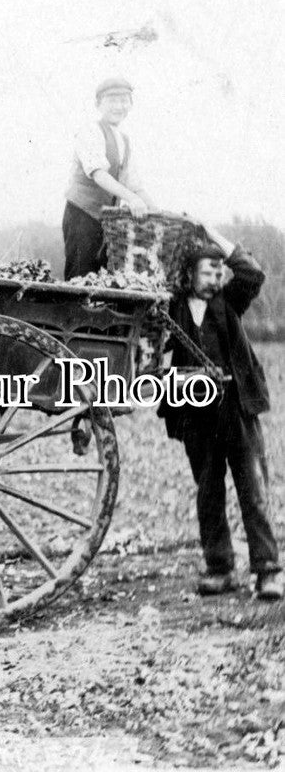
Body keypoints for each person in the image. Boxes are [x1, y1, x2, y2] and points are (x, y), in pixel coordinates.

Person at [157, 229, 282, 599]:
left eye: (218, 272)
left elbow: (252, 273)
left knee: (253, 491)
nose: (214, 279)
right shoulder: (171, 307)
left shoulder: (230, 302)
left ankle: (268, 571)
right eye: (207, 272)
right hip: (196, 415)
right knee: (208, 492)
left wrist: (213, 236)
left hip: (236, 411)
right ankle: (220, 568)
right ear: (190, 274)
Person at [62, 76, 157, 279]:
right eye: (112, 100)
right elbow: (99, 174)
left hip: (108, 224)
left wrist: (157, 213)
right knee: (80, 277)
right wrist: (131, 199)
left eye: (124, 100)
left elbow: (134, 184)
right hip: (82, 216)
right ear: (99, 104)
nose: (119, 106)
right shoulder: (90, 131)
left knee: (105, 280)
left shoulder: (124, 140)